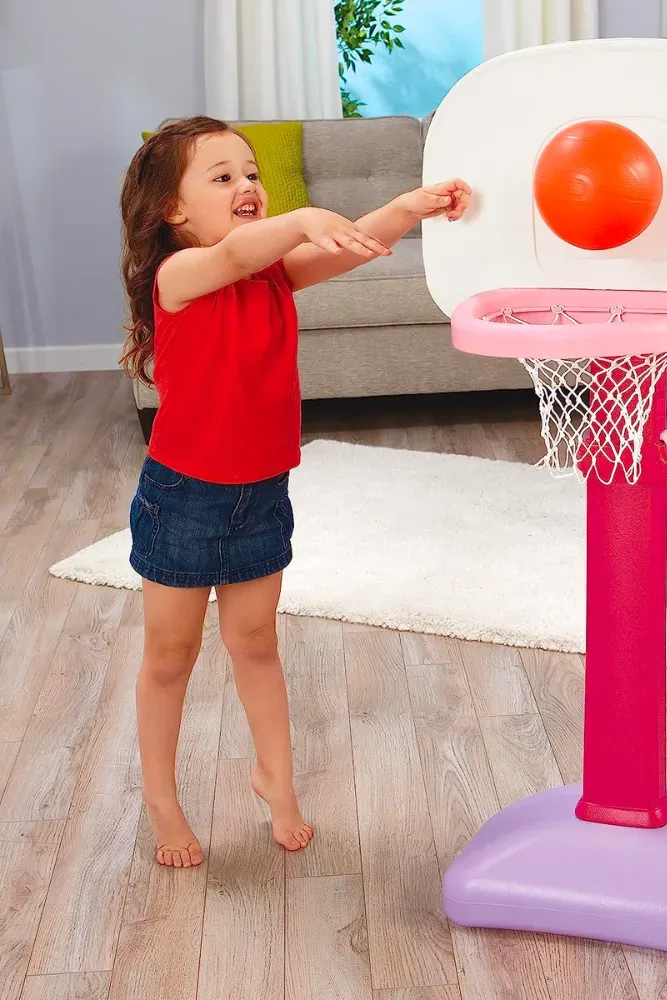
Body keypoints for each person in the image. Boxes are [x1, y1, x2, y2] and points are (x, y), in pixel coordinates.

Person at [119, 115, 470, 868]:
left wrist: (410, 207)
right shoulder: (177, 277)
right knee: (170, 655)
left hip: (260, 491)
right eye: (222, 178)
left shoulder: (273, 272)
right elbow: (248, 246)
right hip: (182, 496)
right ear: (173, 212)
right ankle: (161, 797)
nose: (247, 186)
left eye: (251, 173)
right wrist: (300, 219)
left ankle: (273, 777)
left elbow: (353, 245)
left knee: (255, 642)